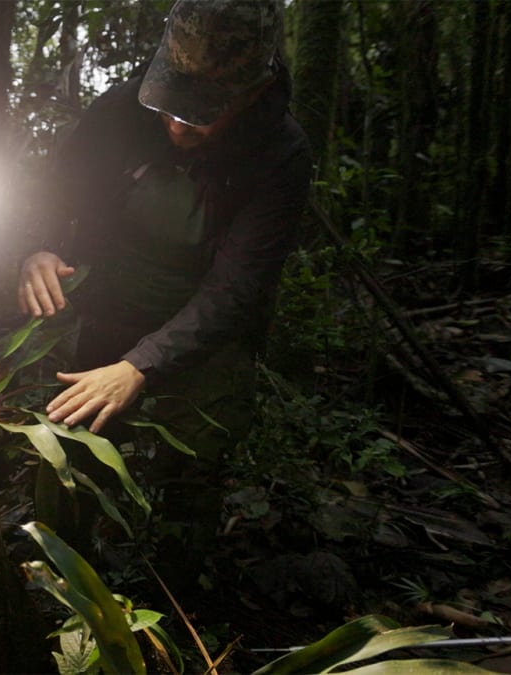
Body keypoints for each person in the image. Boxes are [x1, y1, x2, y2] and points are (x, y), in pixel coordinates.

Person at [18, 0, 312, 592]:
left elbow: (237, 287)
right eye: (169, 106)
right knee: (72, 439)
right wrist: (40, 247)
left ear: (251, 94)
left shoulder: (280, 154)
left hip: (203, 325)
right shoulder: (120, 111)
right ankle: (59, 578)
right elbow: (57, 189)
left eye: (200, 114)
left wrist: (140, 366)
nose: (176, 124)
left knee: (193, 460)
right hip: (107, 301)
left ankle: (168, 600)